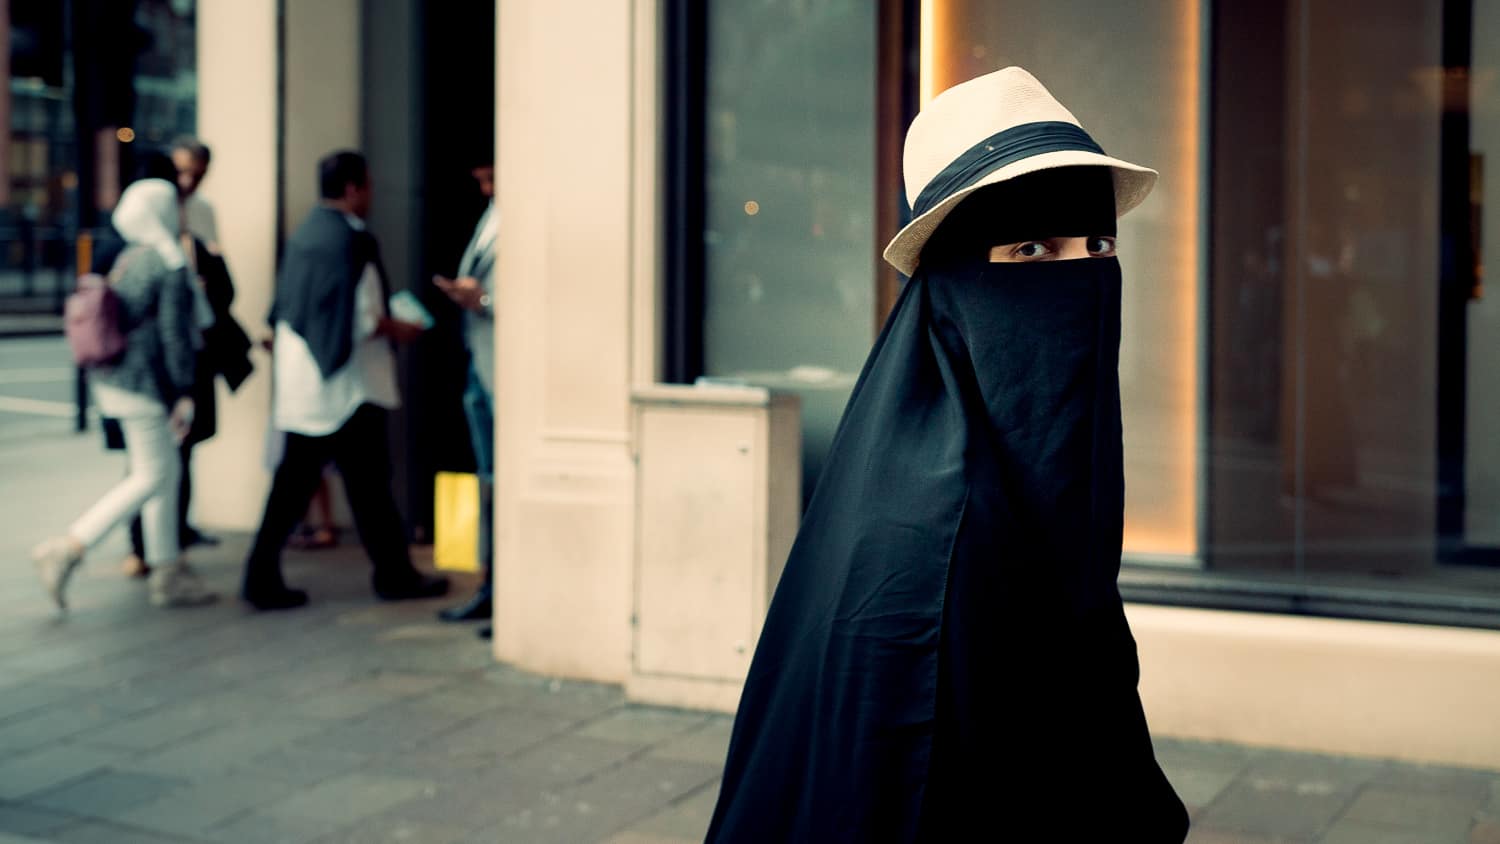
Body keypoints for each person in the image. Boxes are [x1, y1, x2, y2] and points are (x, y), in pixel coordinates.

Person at [705, 68, 1189, 842]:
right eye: (1030, 248)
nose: (1078, 277)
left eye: (1096, 245)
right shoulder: (935, 536)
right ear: (958, 279)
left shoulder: (1008, 471)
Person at [241, 150, 448, 611]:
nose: (372, 194)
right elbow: (364, 320)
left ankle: (260, 577)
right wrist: (404, 329)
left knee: (297, 483)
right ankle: (394, 576)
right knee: (370, 485)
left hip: (302, 381)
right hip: (347, 385)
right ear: (353, 188)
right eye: (369, 185)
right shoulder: (353, 241)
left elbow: (284, 308)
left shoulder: (304, 235)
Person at [31, 178, 216, 610]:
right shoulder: (166, 262)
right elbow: (174, 336)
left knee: (161, 474)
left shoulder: (129, 257)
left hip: (116, 380)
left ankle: (167, 572)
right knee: (152, 476)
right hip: (146, 385)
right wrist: (184, 391)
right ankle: (69, 547)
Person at [118, 139, 252, 577]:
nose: (187, 183)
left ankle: (168, 551)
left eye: (196, 173)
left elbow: (217, 287)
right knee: (151, 466)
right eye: (180, 173)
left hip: (177, 364)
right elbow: (163, 326)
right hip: (155, 374)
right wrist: (179, 386)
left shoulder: (196, 223)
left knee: (174, 459)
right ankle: (136, 550)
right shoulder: (148, 255)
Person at [435, 161, 497, 638]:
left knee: (498, 480)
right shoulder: (492, 215)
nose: (484, 185)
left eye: (490, 175)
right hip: (480, 359)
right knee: (487, 480)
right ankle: (489, 586)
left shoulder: (527, 214)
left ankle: (499, 591)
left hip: (504, 368)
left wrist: (487, 302)